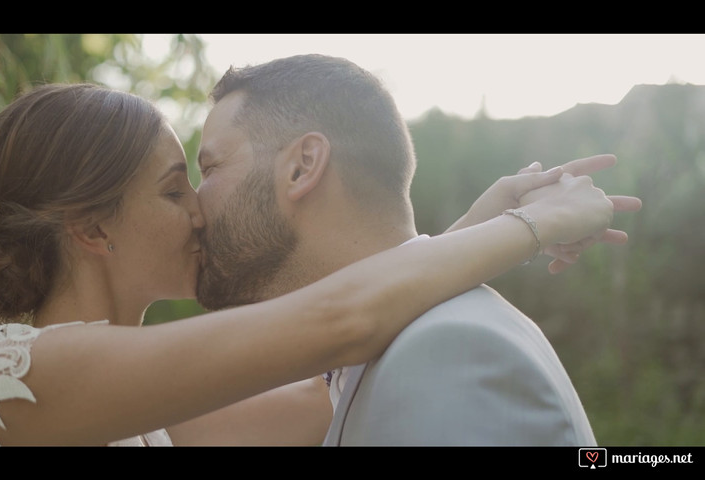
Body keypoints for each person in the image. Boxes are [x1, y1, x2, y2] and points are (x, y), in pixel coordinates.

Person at [0, 80, 616, 447]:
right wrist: (527, 227)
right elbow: (338, 323)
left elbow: (333, 386)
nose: (200, 211)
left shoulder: (146, 402)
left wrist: (472, 227)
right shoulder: (8, 379)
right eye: (175, 189)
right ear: (90, 226)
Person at [165, 54, 642, 446]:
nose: (194, 208)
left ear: (302, 167)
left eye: (209, 170)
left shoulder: (449, 355)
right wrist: (515, 228)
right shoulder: (376, 360)